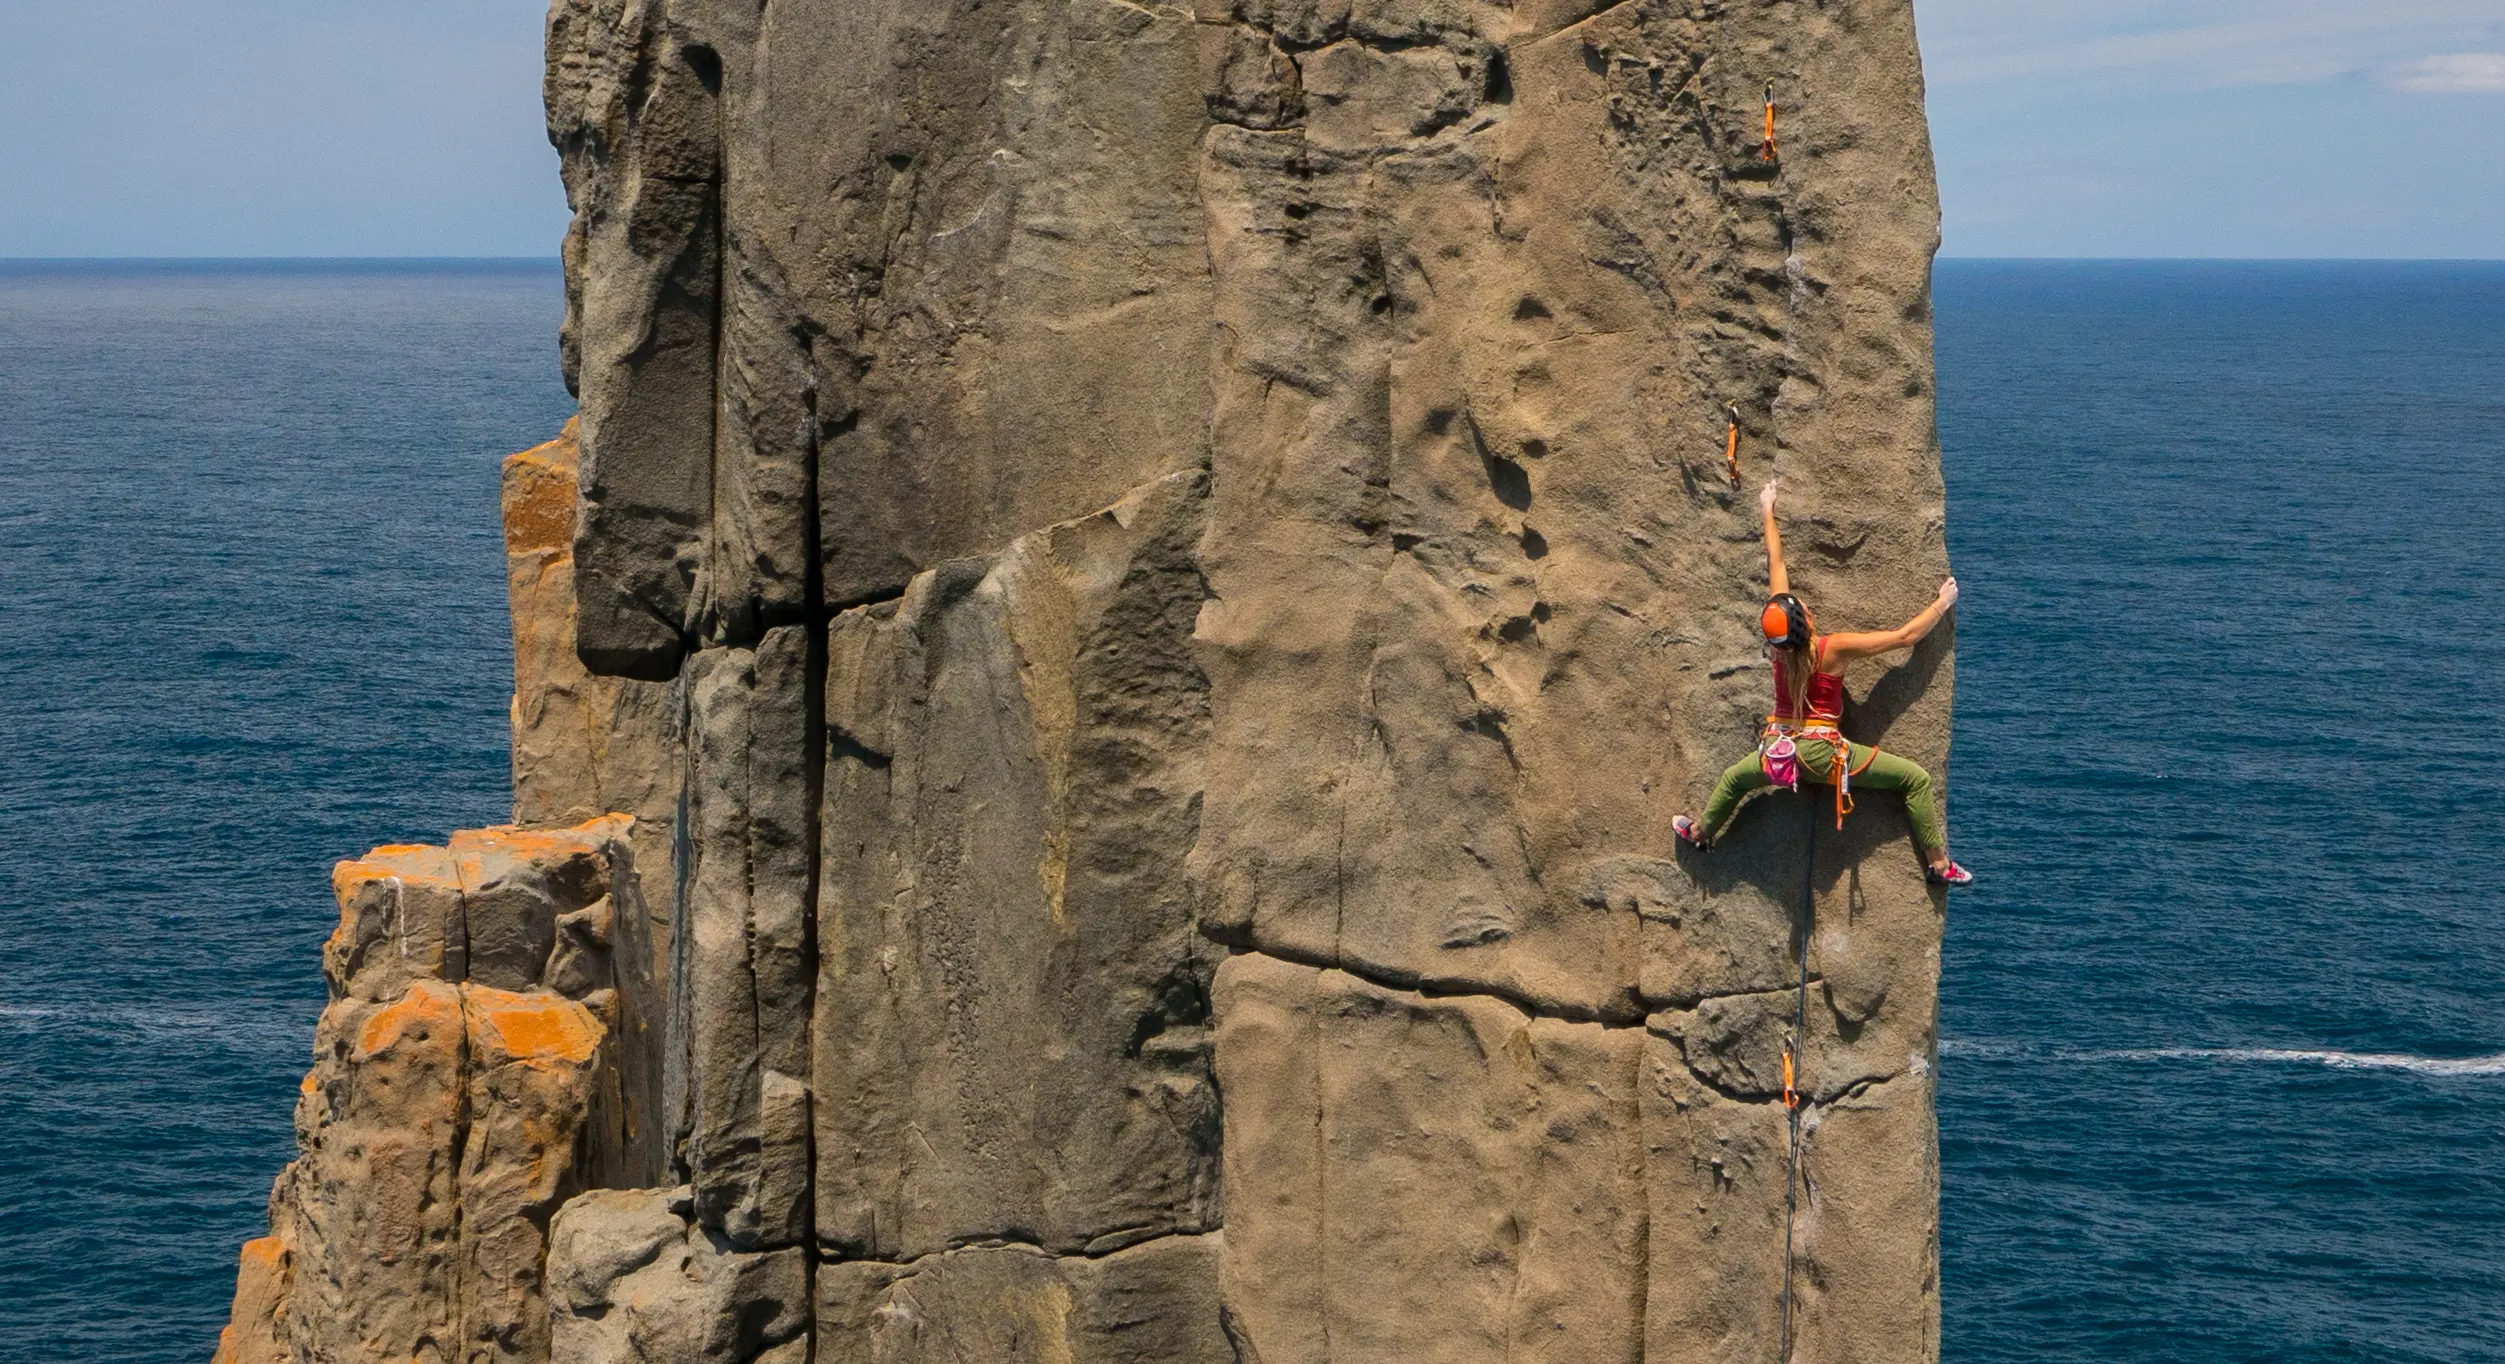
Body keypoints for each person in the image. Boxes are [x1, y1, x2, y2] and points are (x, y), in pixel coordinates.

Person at [1672, 478, 1972, 886]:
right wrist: (1942, 603)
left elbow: (1775, 565)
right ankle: (1939, 866)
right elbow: (1904, 639)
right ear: (1807, 621)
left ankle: (1699, 834)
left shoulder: (1780, 646)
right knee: (1914, 779)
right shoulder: (1833, 649)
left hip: (1777, 753)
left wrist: (1766, 509)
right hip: (1826, 757)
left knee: (1734, 779)